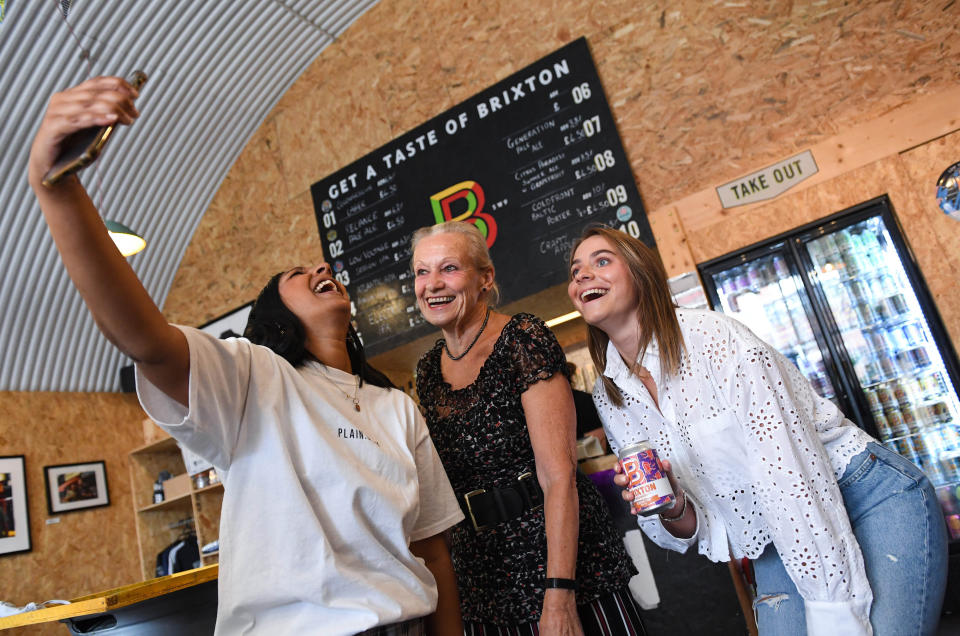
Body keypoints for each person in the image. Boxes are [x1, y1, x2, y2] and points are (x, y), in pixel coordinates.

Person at [29, 75, 465, 636]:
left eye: (323, 267)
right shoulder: (251, 379)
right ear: (274, 315)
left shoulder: (396, 408)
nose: (320, 270)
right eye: (296, 274)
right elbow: (140, 336)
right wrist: (57, 188)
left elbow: (433, 554)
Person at [566, 224, 948, 636]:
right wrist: (673, 502)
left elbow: (792, 477)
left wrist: (836, 611)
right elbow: (684, 527)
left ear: (641, 274)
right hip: (779, 533)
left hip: (866, 495)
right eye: (575, 271)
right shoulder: (609, 394)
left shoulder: (714, 339)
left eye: (601, 261)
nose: (582, 275)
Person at [411, 222, 643, 635]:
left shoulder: (522, 338)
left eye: (448, 268)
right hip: (484, 579)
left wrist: (559, 594)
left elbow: (557, 477)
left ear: (485, 278)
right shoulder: (427, 370)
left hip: (561, 563)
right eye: (421, 272)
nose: (432, 284)